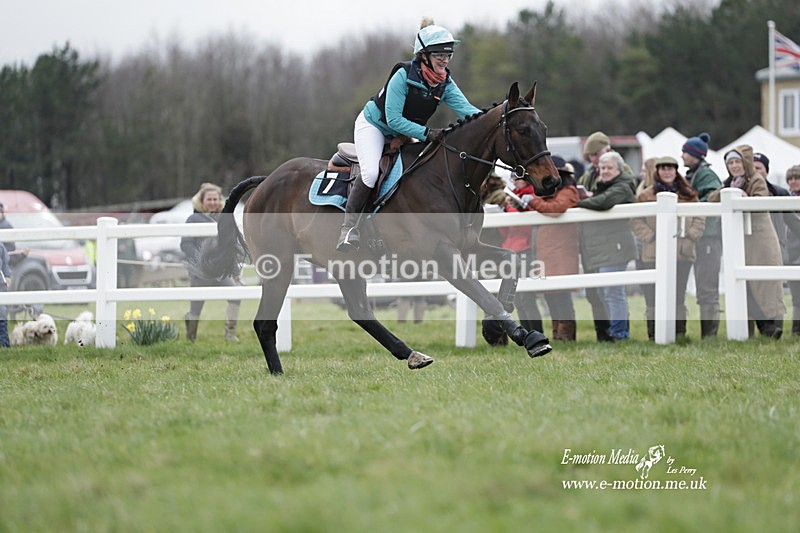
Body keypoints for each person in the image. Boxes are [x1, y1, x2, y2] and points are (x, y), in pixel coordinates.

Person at [336, 18, 481, 252]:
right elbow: (393, 120)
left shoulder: (445, 83)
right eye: (438, 54)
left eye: (448, 54)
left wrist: (498, 115)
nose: (444, 59)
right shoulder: (403, 75)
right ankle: (349, 228)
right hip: (374, 126)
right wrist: (426, 133)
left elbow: (469, 112)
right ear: (424, 55)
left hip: (403, 134)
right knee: (371, 173)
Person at [709, 145, 785, 338]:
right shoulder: (730, 183)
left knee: (767, 284)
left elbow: (760, 204)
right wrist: (730, 193)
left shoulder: (757, 180)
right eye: (730, 162)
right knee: (745, 285)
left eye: (737, 161)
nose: (734, 166)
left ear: (746, 163)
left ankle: (773, 328)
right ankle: (760, 329)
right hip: (739, 241)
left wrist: (744, 198)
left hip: (760, 239)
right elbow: (711, 199)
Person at [631, 156, 705, 340]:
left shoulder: (689, 194)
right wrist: (652, 236)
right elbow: (636, 220)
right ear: (657, 171)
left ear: (676, 171)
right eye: (663, 168)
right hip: (653, 253)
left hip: (682, 252)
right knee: (652, 295)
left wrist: (690, 235)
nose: (667, 171)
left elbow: (700, 217)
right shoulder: (645, 196)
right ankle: (654, 333)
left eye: (671, 168)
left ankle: (679, 332)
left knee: (678, 294)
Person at [577, 151, 638, 341]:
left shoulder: (623, 185)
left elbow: (604, 202)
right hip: (602, 248)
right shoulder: (603, 186)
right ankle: (616, 331)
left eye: (609, 167)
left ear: (619, 169)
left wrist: (579, 202)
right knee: (604, 292)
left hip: (616, 246)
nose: (605, 171)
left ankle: (620, 334)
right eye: (602, 168)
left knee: (613, 292)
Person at [524, 156, 580, 341]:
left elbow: (557, 208)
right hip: (547, 252)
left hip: (561, 251)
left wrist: (532, 202)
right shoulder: (549, 195)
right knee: (551, 295)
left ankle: (566, 335)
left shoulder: (568, 191)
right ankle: (558, 334)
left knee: (561, 295)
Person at [180, 183, 242, 343]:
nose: (213, 202)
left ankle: (230, 334)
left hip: (221, 271)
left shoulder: (224, 218)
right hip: (200, 272)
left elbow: (230, 246)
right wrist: (201, 261)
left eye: (215, 199)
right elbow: (186, 244)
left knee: (235, 296)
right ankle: (191, 337)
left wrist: (235, 271)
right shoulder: (192, 219)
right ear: (202, 200)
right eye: (209, 199)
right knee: (196, 306)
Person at [681, 132, 723, 338]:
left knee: (707, 287)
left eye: (685, 152)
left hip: (708, 236)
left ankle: (710, 335)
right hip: (701, 236)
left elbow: (715, 197)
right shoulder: (694, 175)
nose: (682, 156)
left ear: (695, 155)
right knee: (704, 286)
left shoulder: (706, 176)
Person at [498, 176, 543, 334]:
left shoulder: (532, 197)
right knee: (517, 299)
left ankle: (537, 332)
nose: (515, 181)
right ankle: (527, 334)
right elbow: (505, 231)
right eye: (513, 178)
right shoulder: (513, 197)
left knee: (527, 297)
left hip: (525, 249)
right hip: (511, 249)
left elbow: (525, 226)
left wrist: (508, 209)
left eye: (519, 178)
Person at [785, 165, 800, 335]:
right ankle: (796, 330)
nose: (793, 182)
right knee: (796, 297)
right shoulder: (784, 199)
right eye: (790, 179)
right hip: (791, 253)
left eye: (797, 178)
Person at [0, 241, 11, 348]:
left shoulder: (1, 246)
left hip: (0, 285)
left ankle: (4, 344)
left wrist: (7, 276)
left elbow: (5, 264)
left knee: (2, 314)